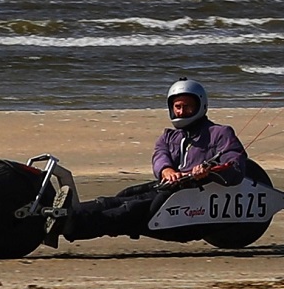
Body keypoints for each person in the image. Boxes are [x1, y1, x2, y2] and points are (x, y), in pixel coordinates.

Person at [38, 79, 258, 242]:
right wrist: (167, 171)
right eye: (177, 107)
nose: (182, 111)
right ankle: (62, 215)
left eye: (187, 106)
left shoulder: (220, 133)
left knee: (129, 211)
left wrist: (209, 171)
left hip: (192, 199)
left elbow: (235, 165)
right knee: (120, 198)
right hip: (169, 188)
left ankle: (70, 224)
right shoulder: (169, 136)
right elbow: (159, 155)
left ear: (200, 106)